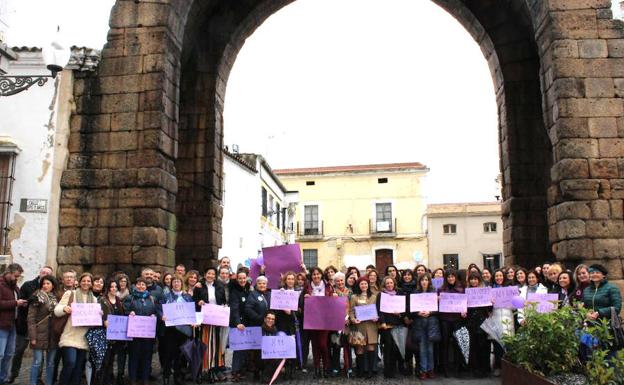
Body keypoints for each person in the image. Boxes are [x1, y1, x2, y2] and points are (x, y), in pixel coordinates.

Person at [10, 265, 53, 384]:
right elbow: (20, 299)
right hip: (24, 324)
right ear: (39, 273)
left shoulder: (51, 289)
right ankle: (13, 374)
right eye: (43, 272)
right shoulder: (28, 285)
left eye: (47, 273)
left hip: (41, 327)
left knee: (40, 355)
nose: (45, 274)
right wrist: (27, 302)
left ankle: (38, 378)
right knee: (19, 351)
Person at [55, 272, 99, 385]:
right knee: (70, 363)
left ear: (91, 284)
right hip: (70, 336)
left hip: (83, 338)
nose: (86, 283)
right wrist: (65, 308)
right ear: (79, 282)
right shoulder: (70, 294)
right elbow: (57, 310)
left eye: (88, 281)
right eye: (84, 280)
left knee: (78, 369)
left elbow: (93, 323)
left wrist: (98, 315)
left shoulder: (94, 299)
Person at [123, 277, 159, 385]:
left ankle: (145, 379)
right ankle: (133, 379)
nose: (141, 286)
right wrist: (129, 313)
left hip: (147, 334)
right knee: (133, 357)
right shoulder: (130, 298)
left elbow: (156, 312)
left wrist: (154, 315)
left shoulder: (151, 299)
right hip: (134, 334)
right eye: (139, 284)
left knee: (147, 357)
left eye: (143, 284)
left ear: (146, 286)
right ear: (135, 285)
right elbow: (124, 310)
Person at [194, 267, 227, 382]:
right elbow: (194, 302)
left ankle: (211, 370)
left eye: (213, 274)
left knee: (214, 346)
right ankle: (200, 371)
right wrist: (199, 303)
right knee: (203, 345)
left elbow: (223, 301)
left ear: (215, 275)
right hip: (203, 321)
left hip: (216, 320)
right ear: (205, 274)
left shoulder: (219, 287)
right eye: (208, 273)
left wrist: (224, 306)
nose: (210, 276)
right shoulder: (199, 286)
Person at [27, 274, 60, 385]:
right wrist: (33, 337)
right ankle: (33, 383)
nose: (45, 286)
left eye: (48, 283)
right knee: (37, 362)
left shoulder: (56, 297)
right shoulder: (36, 297)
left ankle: (49, 383)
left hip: (52, 335)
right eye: (43, 284)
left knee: (50, 363)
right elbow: (31, 319)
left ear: (53, 285)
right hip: (39, 334)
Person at [302, 267, 334, 378]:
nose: (316, 276)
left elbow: (333, 303)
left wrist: (333, 297)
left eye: (318, 274)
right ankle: (316, 369)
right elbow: (301, 303)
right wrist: (304, 298)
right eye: (314, 274)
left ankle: (326, 367)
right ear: (311, 276)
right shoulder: (307, 287)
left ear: (321, 275)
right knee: (315, 345)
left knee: (323, 344)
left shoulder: (328, 286)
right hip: (312, 320)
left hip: (325, 320)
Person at [161, 276, 193, 385]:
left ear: (181, 283)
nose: (176, 283)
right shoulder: (166, 296)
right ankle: (166, 376)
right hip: (170, 330)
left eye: (178, 281)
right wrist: (162, 315)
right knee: (169, 354)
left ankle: (178, 376)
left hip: (183, 330)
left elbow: (191, 312)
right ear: (171, 284)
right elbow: (159, 309)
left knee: (180, 355)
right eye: (174, 282)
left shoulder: (187, 297)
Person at [437, 269, 465, 378]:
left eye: (452, 276)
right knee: (445, 344)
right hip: (444, 320)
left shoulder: (461, 289)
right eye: (448, 277)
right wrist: (437, 299)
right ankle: (445, 368)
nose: (450, 278)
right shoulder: (440, 290)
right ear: (446, 278)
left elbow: (464, 304)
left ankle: (457, 368)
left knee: (458, 344)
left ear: (455, 277)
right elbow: (435, 304)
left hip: (457, 320)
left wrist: (464, 311)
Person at [348, 277, 377, 379]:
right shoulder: (354, 297)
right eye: (361, 284)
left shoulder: (374, 297)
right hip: (359, 325)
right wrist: (352, 319)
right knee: (359, 348)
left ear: (368, 285)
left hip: (371, 326)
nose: (364, 286)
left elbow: (377, 310)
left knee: (370, 347)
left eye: (365, 284)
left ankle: (370, 371)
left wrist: (376, 317)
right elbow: (351, 311)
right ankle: (360, 371)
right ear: (358, 286)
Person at [376, 276, 405, 379]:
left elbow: (404, 308)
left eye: (391, 283)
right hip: (386, 326)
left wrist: (400, 314)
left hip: (397, 324)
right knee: (388, 348)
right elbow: (380, 310)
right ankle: (387, 371)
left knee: (395, 348)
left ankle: (394, 369)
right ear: (384, 284)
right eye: (387, 283)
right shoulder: (381, 295)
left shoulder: (399, 293)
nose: (389, 285)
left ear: (394, 283)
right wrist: (382, 322)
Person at [465, 272, 491, 378]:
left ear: (479, 280)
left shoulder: (485, 291)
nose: (473, 281)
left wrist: (491, 303)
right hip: (471, 323)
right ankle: (475, 369)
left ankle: (484, 368)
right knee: (473, 346)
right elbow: (463, 307)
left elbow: (489, 310)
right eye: (471, 279)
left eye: (476, 279)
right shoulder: (466, 292)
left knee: (483, 346)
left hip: (482, 322)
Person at [100, 279, 126, 385]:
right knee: (106, 359)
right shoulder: (103, 300)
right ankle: (105, 379)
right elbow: (99, 315)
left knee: (115, 357)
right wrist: (103, 321)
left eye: (115, 287)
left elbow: (122, 316)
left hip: (118, 334)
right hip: (106, 334)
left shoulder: (119, 300)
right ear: (108, 288)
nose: (114, 289)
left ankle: (114, 378)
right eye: (111, 286)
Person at [244, 275, 270, 381]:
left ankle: (265, 371)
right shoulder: (253, 295)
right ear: (256, 284)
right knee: (257, 351)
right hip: (256, 326)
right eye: (260, 283)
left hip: (267, 327)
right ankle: (256, 371)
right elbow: (248, 309)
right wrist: (260, 318)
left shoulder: (268, 295)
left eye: (264, 283)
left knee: (266, 349)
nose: (262, 285)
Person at [275, 272, 300, 379]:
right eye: (288, 279)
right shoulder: (281, 291)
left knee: (292, 346)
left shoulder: (298, 293)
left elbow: (300, 310)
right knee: (283, 346)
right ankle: (283, 368)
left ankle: (292, 369)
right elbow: (275, 307)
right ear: (285, 280)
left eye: (292, 279)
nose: (290, 281)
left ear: (295, 281)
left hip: (292, 324)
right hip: (281, 323)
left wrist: (292, 312)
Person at [228, 270, 250, 382]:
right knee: (238, 348)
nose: (242, 280)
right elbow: (234, 309)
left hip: (247, 323)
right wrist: (237, 323)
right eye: (240, 278)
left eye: (244, 278)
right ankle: (235, 371)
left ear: (247, 279)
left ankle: (241, 369)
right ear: (237, 279)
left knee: (245, 347)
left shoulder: (248, 290)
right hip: (239, 324)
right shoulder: (235, 292)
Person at [329, 272, 351, 377]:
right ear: (335, 282)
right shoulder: (332, 293)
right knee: (336, 345)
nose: (340, 282)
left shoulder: (350, 292)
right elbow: (329, 308)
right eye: (337, 281)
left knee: (347, 345)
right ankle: (336, 367)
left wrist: (349, 318)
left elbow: (353, 306)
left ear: (344, 280)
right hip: (335, 323)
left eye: (341, 280)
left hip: (347, 323)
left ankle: (349, 367)